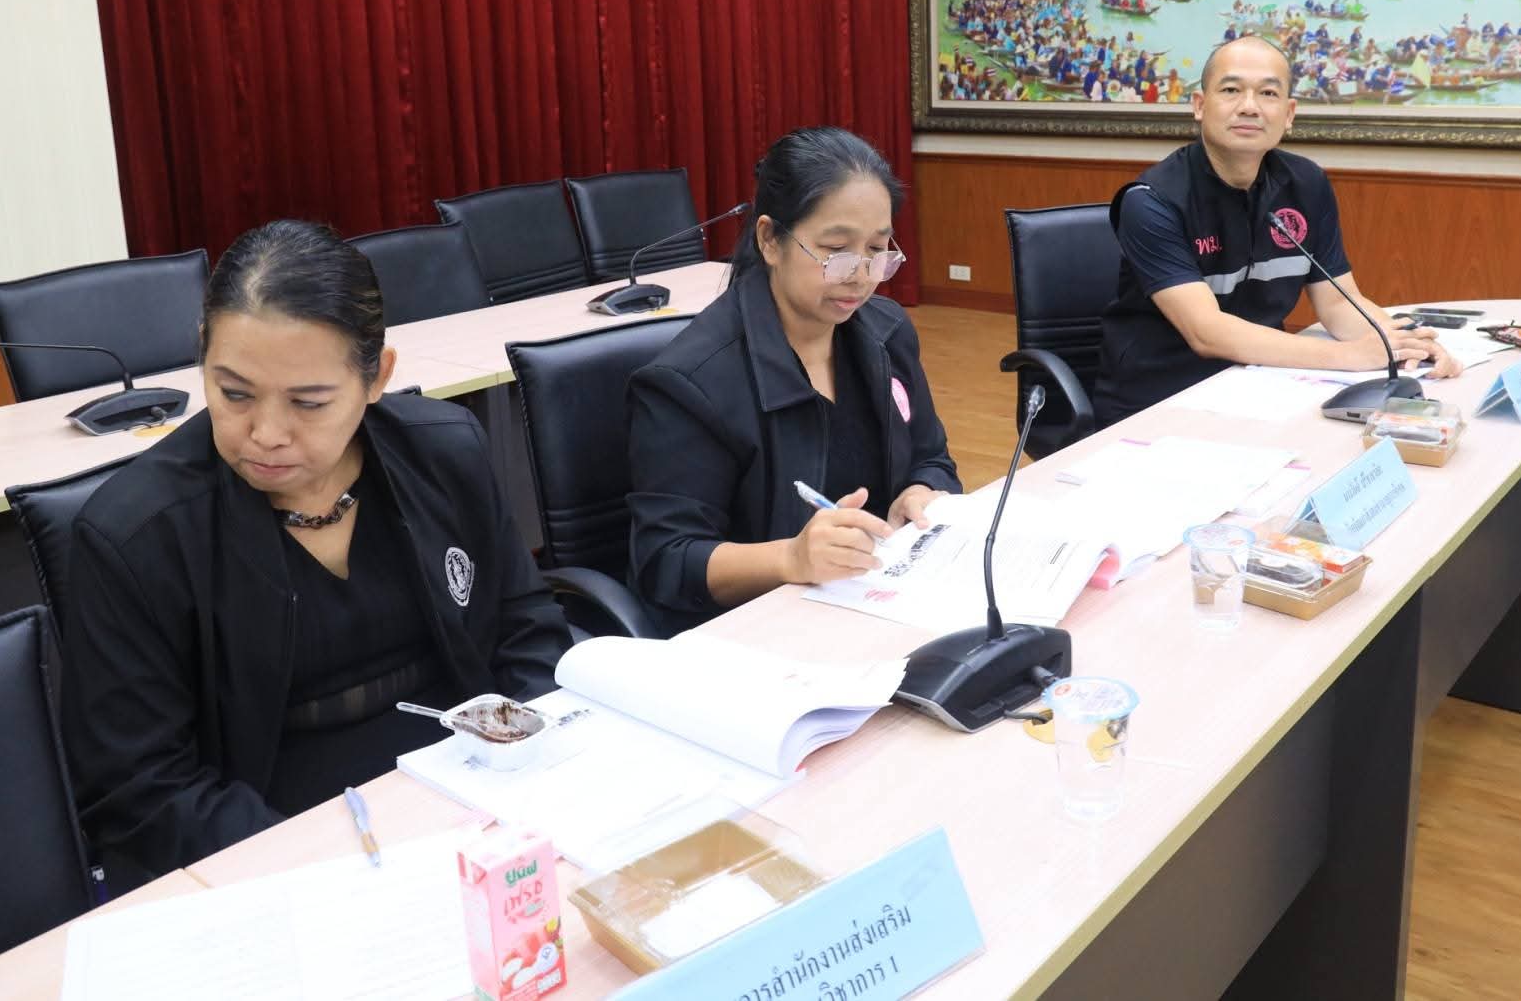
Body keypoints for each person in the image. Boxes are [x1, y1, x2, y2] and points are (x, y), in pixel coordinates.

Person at [63, 221, 572, 879]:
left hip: (479, 819)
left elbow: (528, 634)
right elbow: (140, 794)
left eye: (309, 402)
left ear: (377, 377)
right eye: (234, 392)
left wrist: (529, 774)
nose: (266, 433)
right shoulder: (137, 536)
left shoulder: (446, 453)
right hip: (274, 860)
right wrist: (329, 867)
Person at [627, 128, 960, 635]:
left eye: (878, 250)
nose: (863, 275)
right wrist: (792, 559)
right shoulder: (691, 382)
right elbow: (667, 562)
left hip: (878, 606)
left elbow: (932, 457)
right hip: (753, 634)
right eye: (837, 251)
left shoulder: (885, 332)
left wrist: (922, 490)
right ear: (770, 240)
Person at [1092, 35, 1458, 427]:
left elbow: (1338, 303)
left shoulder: (1306, 183)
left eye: (1268, 93)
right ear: (1199, 106)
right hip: (1158, 402)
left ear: (1289, 113)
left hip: (1262, 385)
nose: (1249, 107)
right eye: (1231, 90)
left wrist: (1403, 343)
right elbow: (1207, 332)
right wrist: (1351, 357)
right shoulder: (1152, 200)